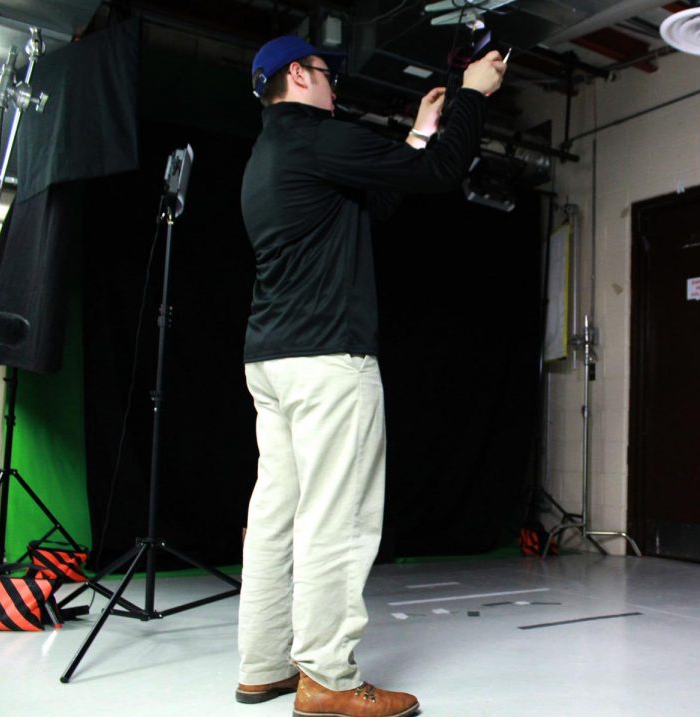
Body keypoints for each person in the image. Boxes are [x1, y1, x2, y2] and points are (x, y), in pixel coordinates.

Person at [235, 35, 506, 717]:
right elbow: (446, 172)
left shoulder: (269, 155)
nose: (336, 88)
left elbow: (378, 201)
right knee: (337, 518)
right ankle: (325, 676)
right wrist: (474, 93)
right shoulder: (315, 137)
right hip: (328, 361)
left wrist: (416, 132)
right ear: (298, 75)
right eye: (327, 75)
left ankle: (264, 665)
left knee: (276, 516)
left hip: (272, 362)